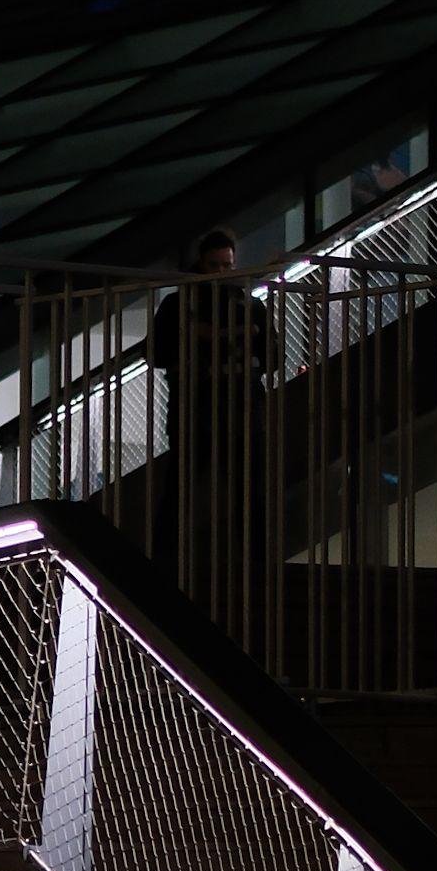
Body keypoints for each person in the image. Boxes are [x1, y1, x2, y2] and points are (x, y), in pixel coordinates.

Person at [150, 229, 269, 617]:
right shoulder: (240, 306)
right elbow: (159, 353)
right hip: (211, 407)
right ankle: (170, 559)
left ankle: (246, 560)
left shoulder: (228, 306)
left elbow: (271, 355)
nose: (221, 272)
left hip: (220, 407)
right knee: (189, 485)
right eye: (216, 265)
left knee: (237, 487)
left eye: (226, 266)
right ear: (201, 263)